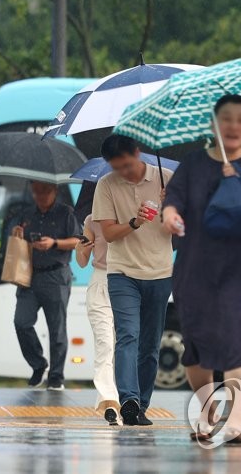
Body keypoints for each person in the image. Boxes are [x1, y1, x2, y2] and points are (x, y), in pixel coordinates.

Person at [161, 96, 241, 443]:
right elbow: (174, 201)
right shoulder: (193, 164)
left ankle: (236, 418)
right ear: (213, 125)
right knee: (197, 346)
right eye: (226, 119)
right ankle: (209, 411)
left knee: (239, 343)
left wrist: (239, 179)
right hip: (197, 268)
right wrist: (170, 215)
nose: (234, 126)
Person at [93, 134, 174, 427]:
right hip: (122, 273)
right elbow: (109, 234)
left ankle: (142, 405)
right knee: (128, 335)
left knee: (150, 345)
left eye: (127, 165)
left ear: (138, 153)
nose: (124, 172)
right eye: (117, 167)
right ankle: (129, 399)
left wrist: (170, 208)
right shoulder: (106, 185)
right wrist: (135, 222)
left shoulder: (167, 178)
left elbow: (181, 226)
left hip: (160, 272)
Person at [10, 182, 81, 391]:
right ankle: (38, 364)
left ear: (55, 191)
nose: (40, 195)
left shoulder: (66, 213)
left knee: (56, 328)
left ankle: (56, 376)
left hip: (56, 274)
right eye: (36, 191)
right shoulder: (26, 214)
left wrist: (55, 243)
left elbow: (78, 240)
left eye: (45, 191)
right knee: (21, 321)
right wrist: (17, 234)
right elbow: (15, 240)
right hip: (30, 275)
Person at [75, 213, 121, 425]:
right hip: (100, 283)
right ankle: (110, 403)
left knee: (123, 346)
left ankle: (123, 399)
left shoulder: (131, 215)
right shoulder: (91, 220)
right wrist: (81, 248)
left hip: (126, 284)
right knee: (105, 345)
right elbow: (82, 262)